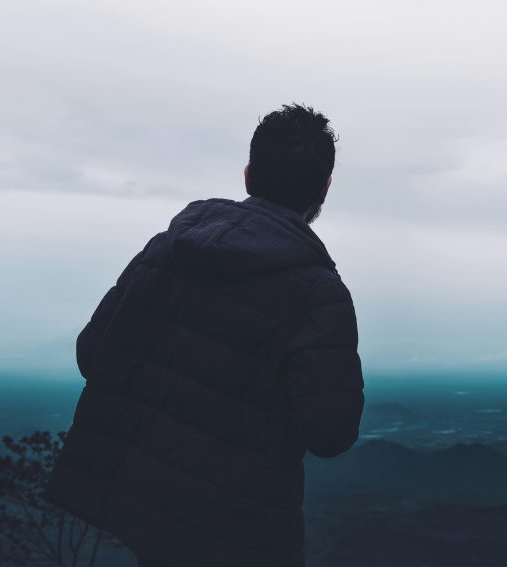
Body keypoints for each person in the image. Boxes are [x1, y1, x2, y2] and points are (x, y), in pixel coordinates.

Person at [43, 103, 364, 567]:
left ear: (249, 175)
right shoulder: (317, 294)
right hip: (239, 528)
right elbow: (331, 433)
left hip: (145, 505)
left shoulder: (168, 251)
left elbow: (92, 353)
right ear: (324, 189)